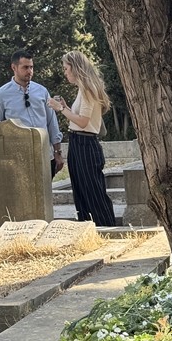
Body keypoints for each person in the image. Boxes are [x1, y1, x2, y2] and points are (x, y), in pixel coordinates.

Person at [46, 50, 117, 226]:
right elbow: (80, 119)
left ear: (75, 68)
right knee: (81, 191)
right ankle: (88, 230)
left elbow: (84, 122)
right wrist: (66, 108)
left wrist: (61, 109)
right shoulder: (83, 89)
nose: (65, 73)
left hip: (85, 143)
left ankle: (106, 230)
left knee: (93, 192)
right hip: (78, 142)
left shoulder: (88, 89)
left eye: (66, 68)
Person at [0, 50, 64, 176]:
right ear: (14, 67)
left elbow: (52, 123)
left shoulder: (42, 91)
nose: (29, 71)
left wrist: (58, 152)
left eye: (31, 67)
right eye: (25, 67)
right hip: (17, 159)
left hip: (44, 156)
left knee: (45, 195)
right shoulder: (1, 95)